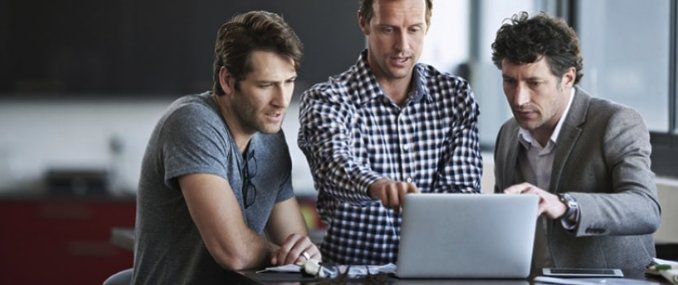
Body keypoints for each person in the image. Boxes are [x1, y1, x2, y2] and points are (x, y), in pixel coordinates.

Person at [132, 10, 320, 284]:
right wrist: (283, 255)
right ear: (228, 81)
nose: (282, 101)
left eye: (288, 82)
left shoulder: (270, 137)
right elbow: (233, 252)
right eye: (266, 85)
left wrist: (303, 253)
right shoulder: (192, 122)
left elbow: (296, 243)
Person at [298, 0, 483, 265]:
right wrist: (377, 186)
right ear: (363, 22)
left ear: (427, 25)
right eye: (388, 29)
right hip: (352, 277)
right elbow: (333, 165)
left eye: (414, 29)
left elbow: (461, 190)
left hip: (434, 273)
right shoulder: (327, 100)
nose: (403, 46)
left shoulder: (455, 97)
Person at [491, 11, 661, 270]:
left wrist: (565, 204)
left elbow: (645, 208)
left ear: (567, 78)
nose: (519, 99)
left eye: (534, 83)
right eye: (509, 81)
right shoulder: (508, 134)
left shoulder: (615, 122)